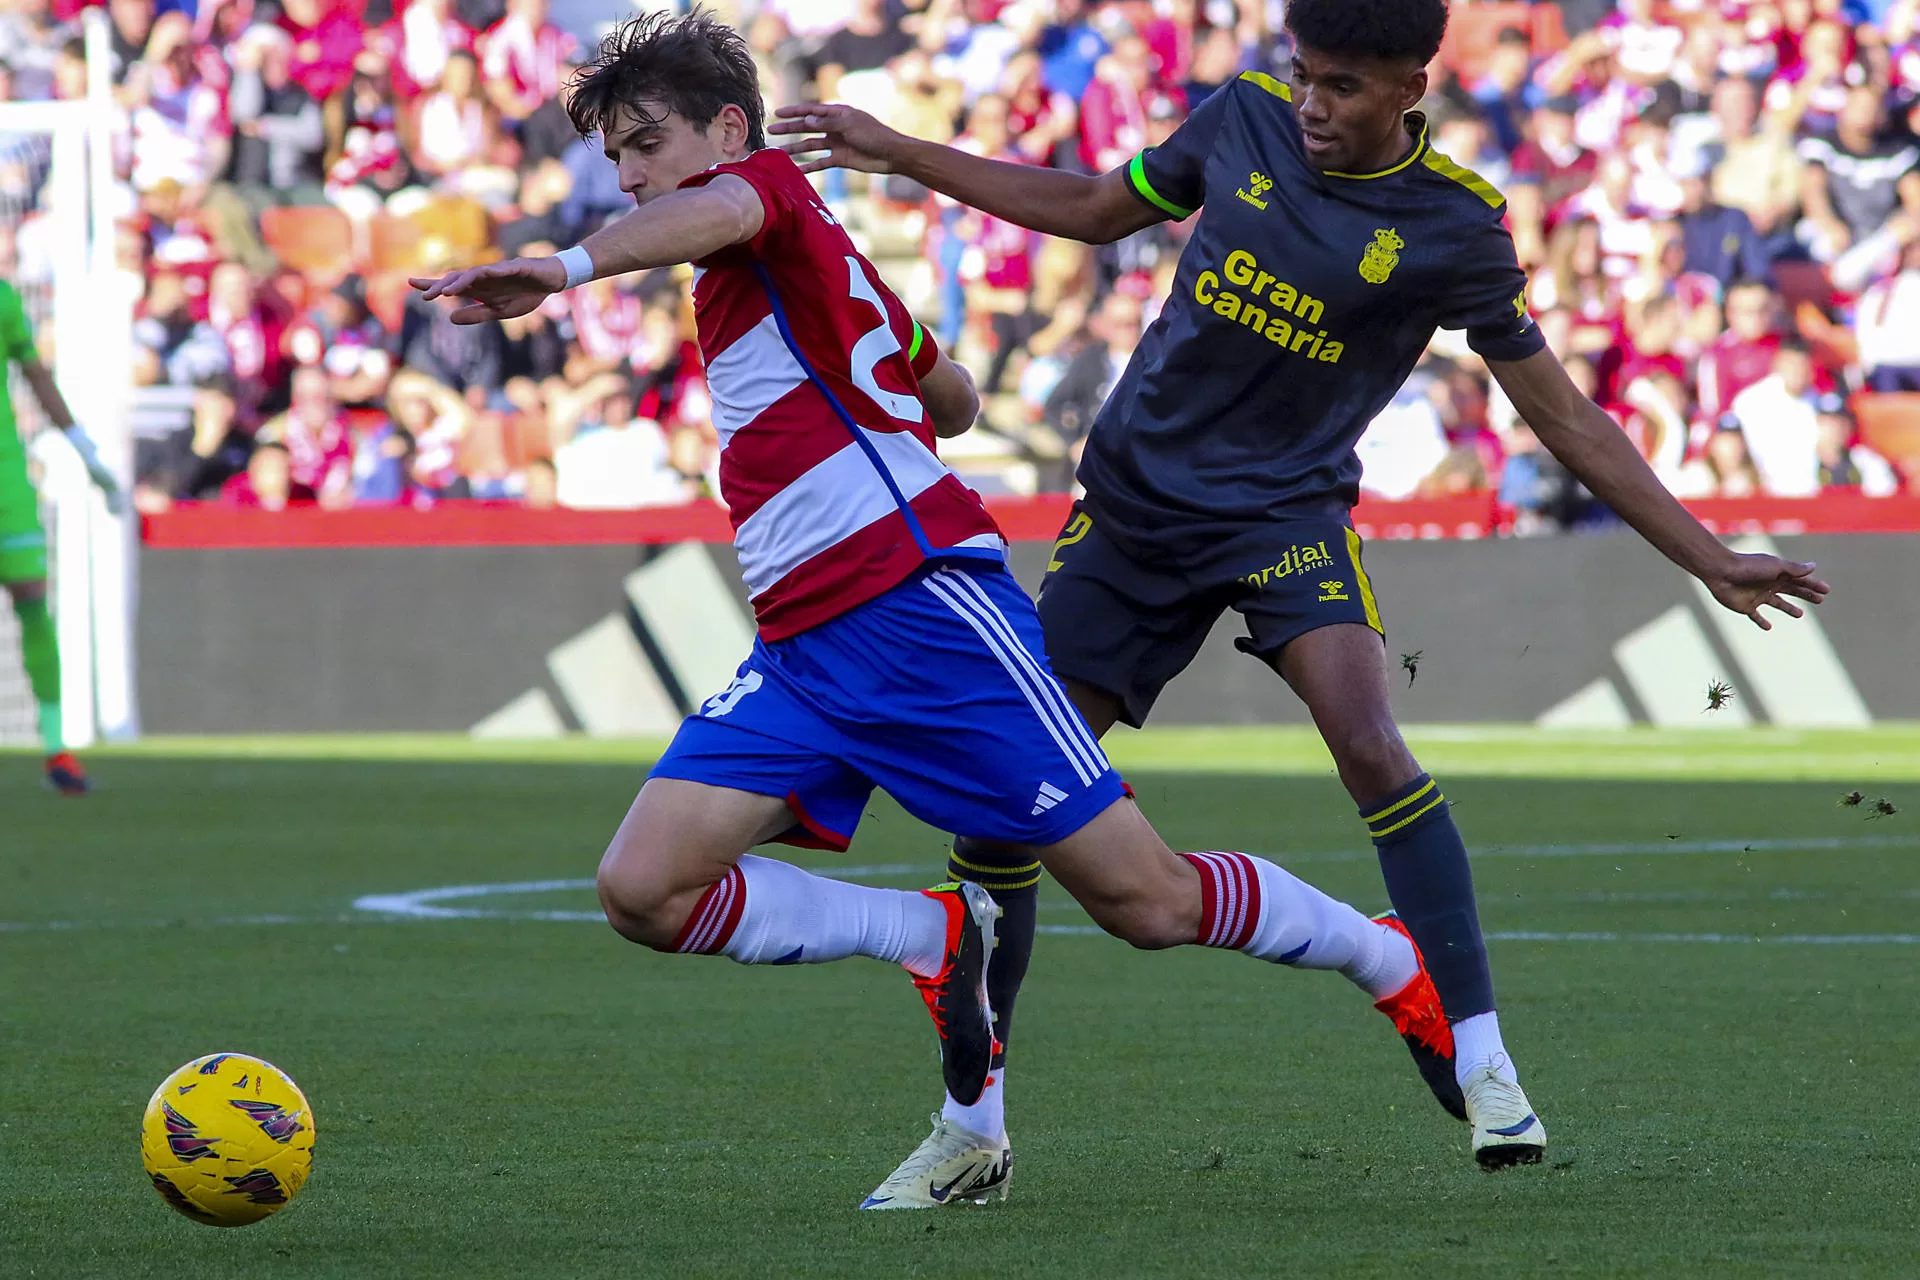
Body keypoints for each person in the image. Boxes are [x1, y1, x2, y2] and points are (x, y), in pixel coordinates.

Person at [414, 9, 1463, 1213]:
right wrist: (905, 374)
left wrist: (561, 267)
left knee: (1149, 902)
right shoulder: (817, 260)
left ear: (733, 129)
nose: (635, 172)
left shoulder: (756, 196)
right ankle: (928, 936)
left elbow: (719, 211)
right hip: (807, 643)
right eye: (617, 161)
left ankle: (1391, 960)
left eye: (648, 143)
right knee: (644, 888)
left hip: (922, 607)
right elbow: (952, 393)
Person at [775, 0, 1831, 1180]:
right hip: (1129, 516)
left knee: (1372, 742)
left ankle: (1483, 1060)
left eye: (1340, 86)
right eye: (1303, 77)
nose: (1313, 106)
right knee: (998, 808)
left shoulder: (1458, 226)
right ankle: (974, 1130)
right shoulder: (1241, 122)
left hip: (1284, 518)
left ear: (1408, 89)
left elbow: (1563, 416)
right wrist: (897, 147)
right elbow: (1088, 209)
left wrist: (1708, 553)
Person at [0, 276, 124, 793]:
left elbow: (34, 373)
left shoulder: (4, 298)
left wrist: (82, 447)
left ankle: (57, 749)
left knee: (32, 599)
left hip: (7, 480)